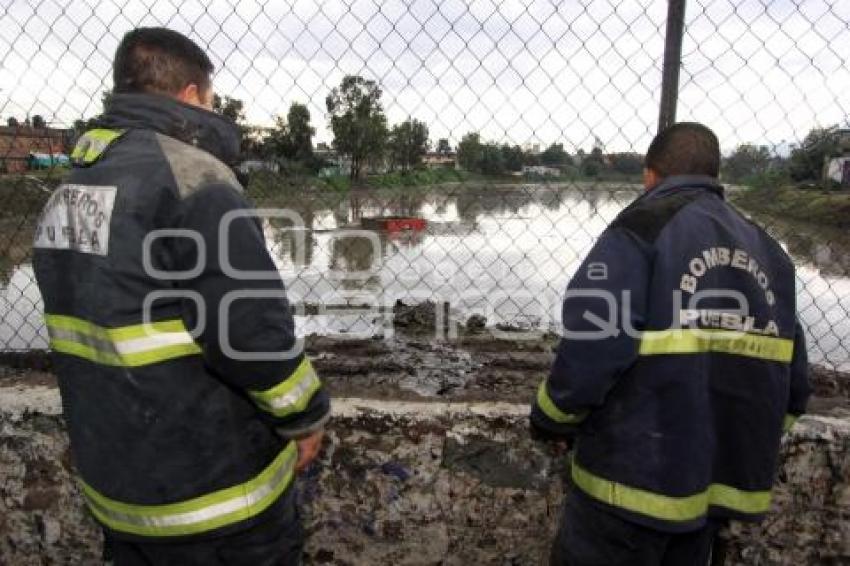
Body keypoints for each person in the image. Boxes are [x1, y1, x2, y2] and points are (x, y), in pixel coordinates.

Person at [33, 27, 329, 565]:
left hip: (121, 496)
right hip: (215, 504)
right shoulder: (195, 180)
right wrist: (306, 415)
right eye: (211, 100)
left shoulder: (71, 187)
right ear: (192, 96)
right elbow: (251, 332)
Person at [531, 122, 810, 565]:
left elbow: (594, 345)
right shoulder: (769, 250)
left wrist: (551, 417)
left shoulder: (639, 229)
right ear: (716, 176)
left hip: (626, 487)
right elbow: (793, 389)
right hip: (709, 499)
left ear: (649, 174)